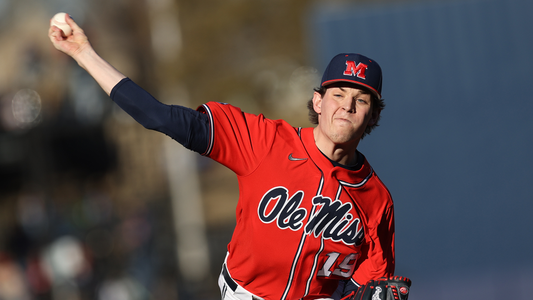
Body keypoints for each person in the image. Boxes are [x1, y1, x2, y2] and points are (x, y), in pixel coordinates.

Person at [49, 14, 410, 300]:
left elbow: (370, 285)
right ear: (318, 102)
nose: (346, 106)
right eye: (338, 93)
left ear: (372, 117)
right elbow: (158, 116)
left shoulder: (375, 200)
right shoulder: (263, 141)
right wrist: (84, 54)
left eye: (360, 100)